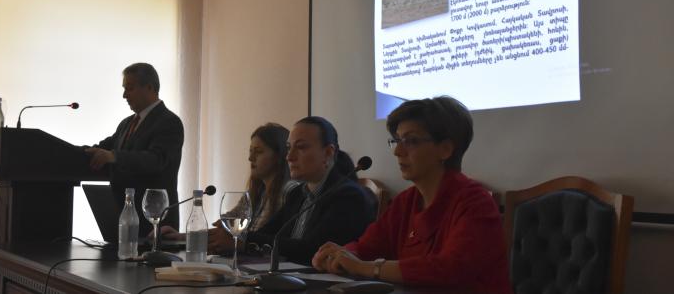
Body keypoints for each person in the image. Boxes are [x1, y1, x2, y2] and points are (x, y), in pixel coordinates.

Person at [311, 96, 511, 294]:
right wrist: (342, 254)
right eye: (397, 140)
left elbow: (449, 269)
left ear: (445, 149)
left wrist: (367, 268)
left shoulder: (475, 202)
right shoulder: (406, 201)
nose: (397, 151)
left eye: (411, 141)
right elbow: (366, 247)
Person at [245, 116, 375, 266]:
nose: (289, 157)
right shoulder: (298, 193)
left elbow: (312, 250)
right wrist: (235, 238)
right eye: (289, 148)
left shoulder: (349, 197)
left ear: (328, 153)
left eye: (301, 147)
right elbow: (266, 233)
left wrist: (243, 239)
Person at [160, 123, 296, 252]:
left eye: (258, 152)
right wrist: (182, 237)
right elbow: (226, 230)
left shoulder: (290, 192)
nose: (250, 158)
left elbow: (264, 240)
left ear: (280, 156)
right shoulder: (256, 192)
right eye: (250, 151)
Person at [85, 62, 184, 237]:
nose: (124, 95)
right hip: (123, 218)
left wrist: (114, 156)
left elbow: (156, 160)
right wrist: (74, 152)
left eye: (129, 88)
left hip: (154, 222)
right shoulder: (127, 123)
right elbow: (103, 148)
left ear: (149, 87)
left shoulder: (169, 122)